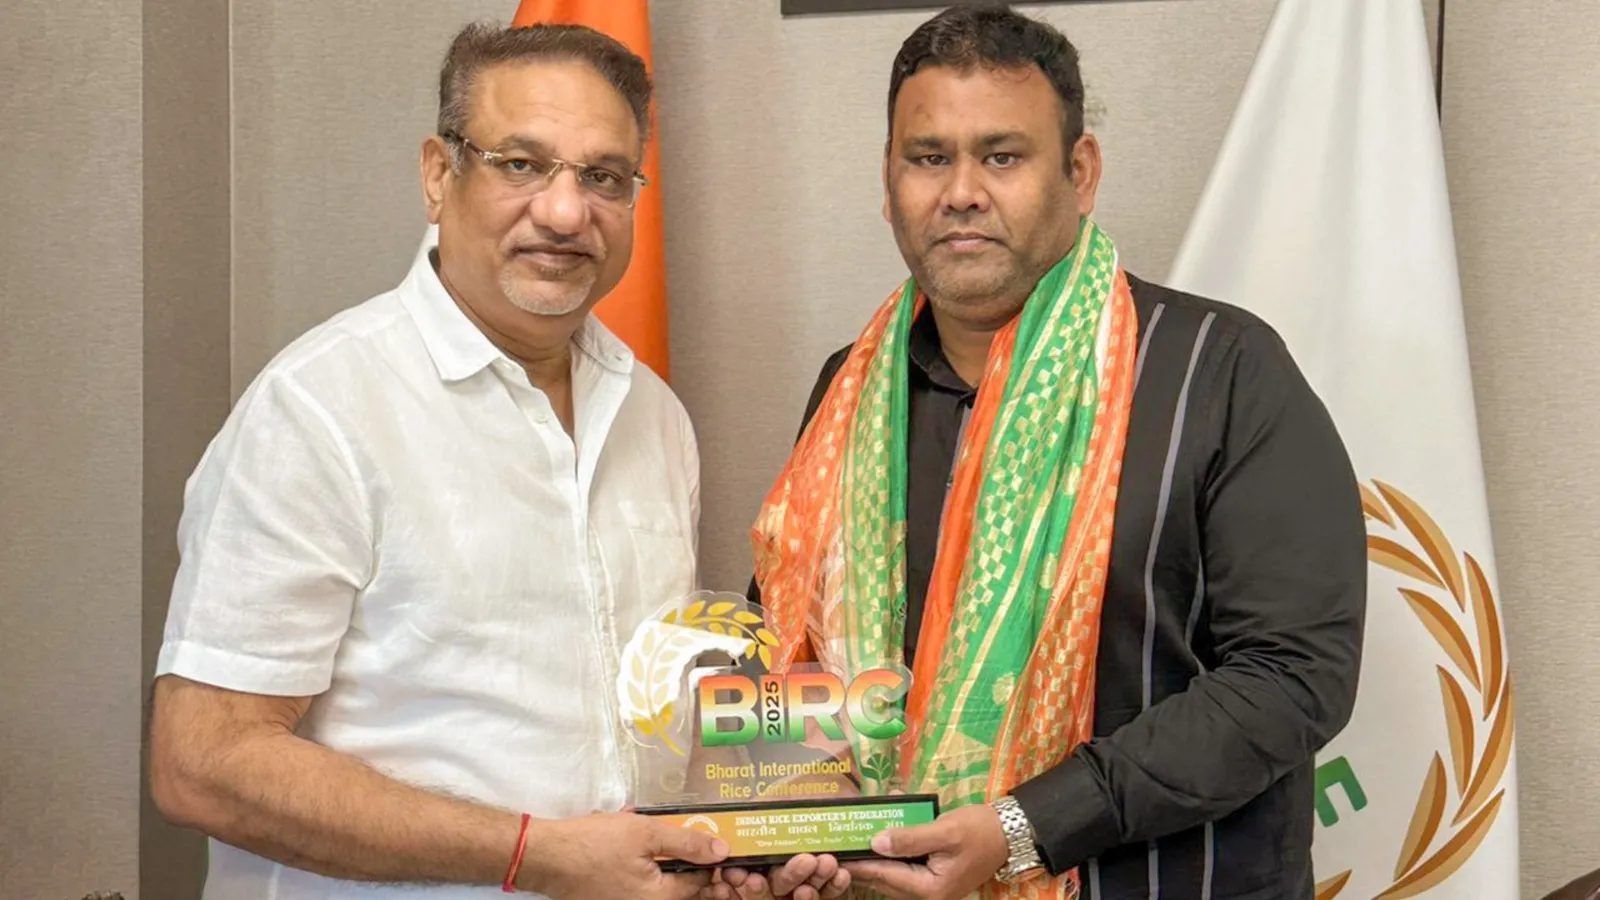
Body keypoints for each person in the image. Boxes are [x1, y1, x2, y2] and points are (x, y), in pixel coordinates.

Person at [743, 5, 1367, 899]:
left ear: (1080, 172)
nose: (962, 192)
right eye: (929, 158)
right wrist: (792, 810)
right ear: (888, 182)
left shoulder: (1220, 370)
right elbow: (782, 641)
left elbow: (1293, 676)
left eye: (1002, 156)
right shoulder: (848, 391)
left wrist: (1025, 826)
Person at [147, 22, 728, 899]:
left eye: (604, 177)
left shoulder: (657, 417)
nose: (566, 213)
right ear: (437, 174)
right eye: (521, 164)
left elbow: (643, 722)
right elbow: (203, 761)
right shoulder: (320, 408)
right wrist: (536, 856)